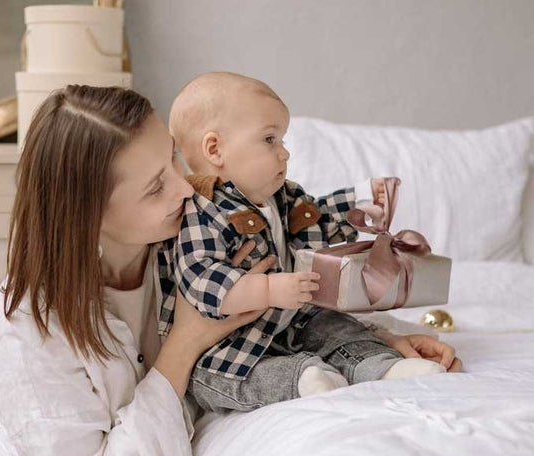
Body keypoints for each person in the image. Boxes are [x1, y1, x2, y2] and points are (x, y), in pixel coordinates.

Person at [0, 84, 458, 456]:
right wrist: (185, 343)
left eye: (172, 160)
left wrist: (375, 346)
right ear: (86, 216)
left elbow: (277, 312)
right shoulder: (30, 328)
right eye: (154, 188)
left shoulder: (185, 239)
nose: (186, 188)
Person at [165, 72, 461, 413]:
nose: (284, 153)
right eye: (270, 140)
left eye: (283, 141)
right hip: (229, 342)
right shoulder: (204, 210)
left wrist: (362, 201)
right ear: (215, 149)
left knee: (336, 328)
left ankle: (381, 366)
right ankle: (302, 379)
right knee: (217, 379)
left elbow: (317, 218)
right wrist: (269, 290)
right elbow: (202, 278)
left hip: (294, 319)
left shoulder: (282, 196)